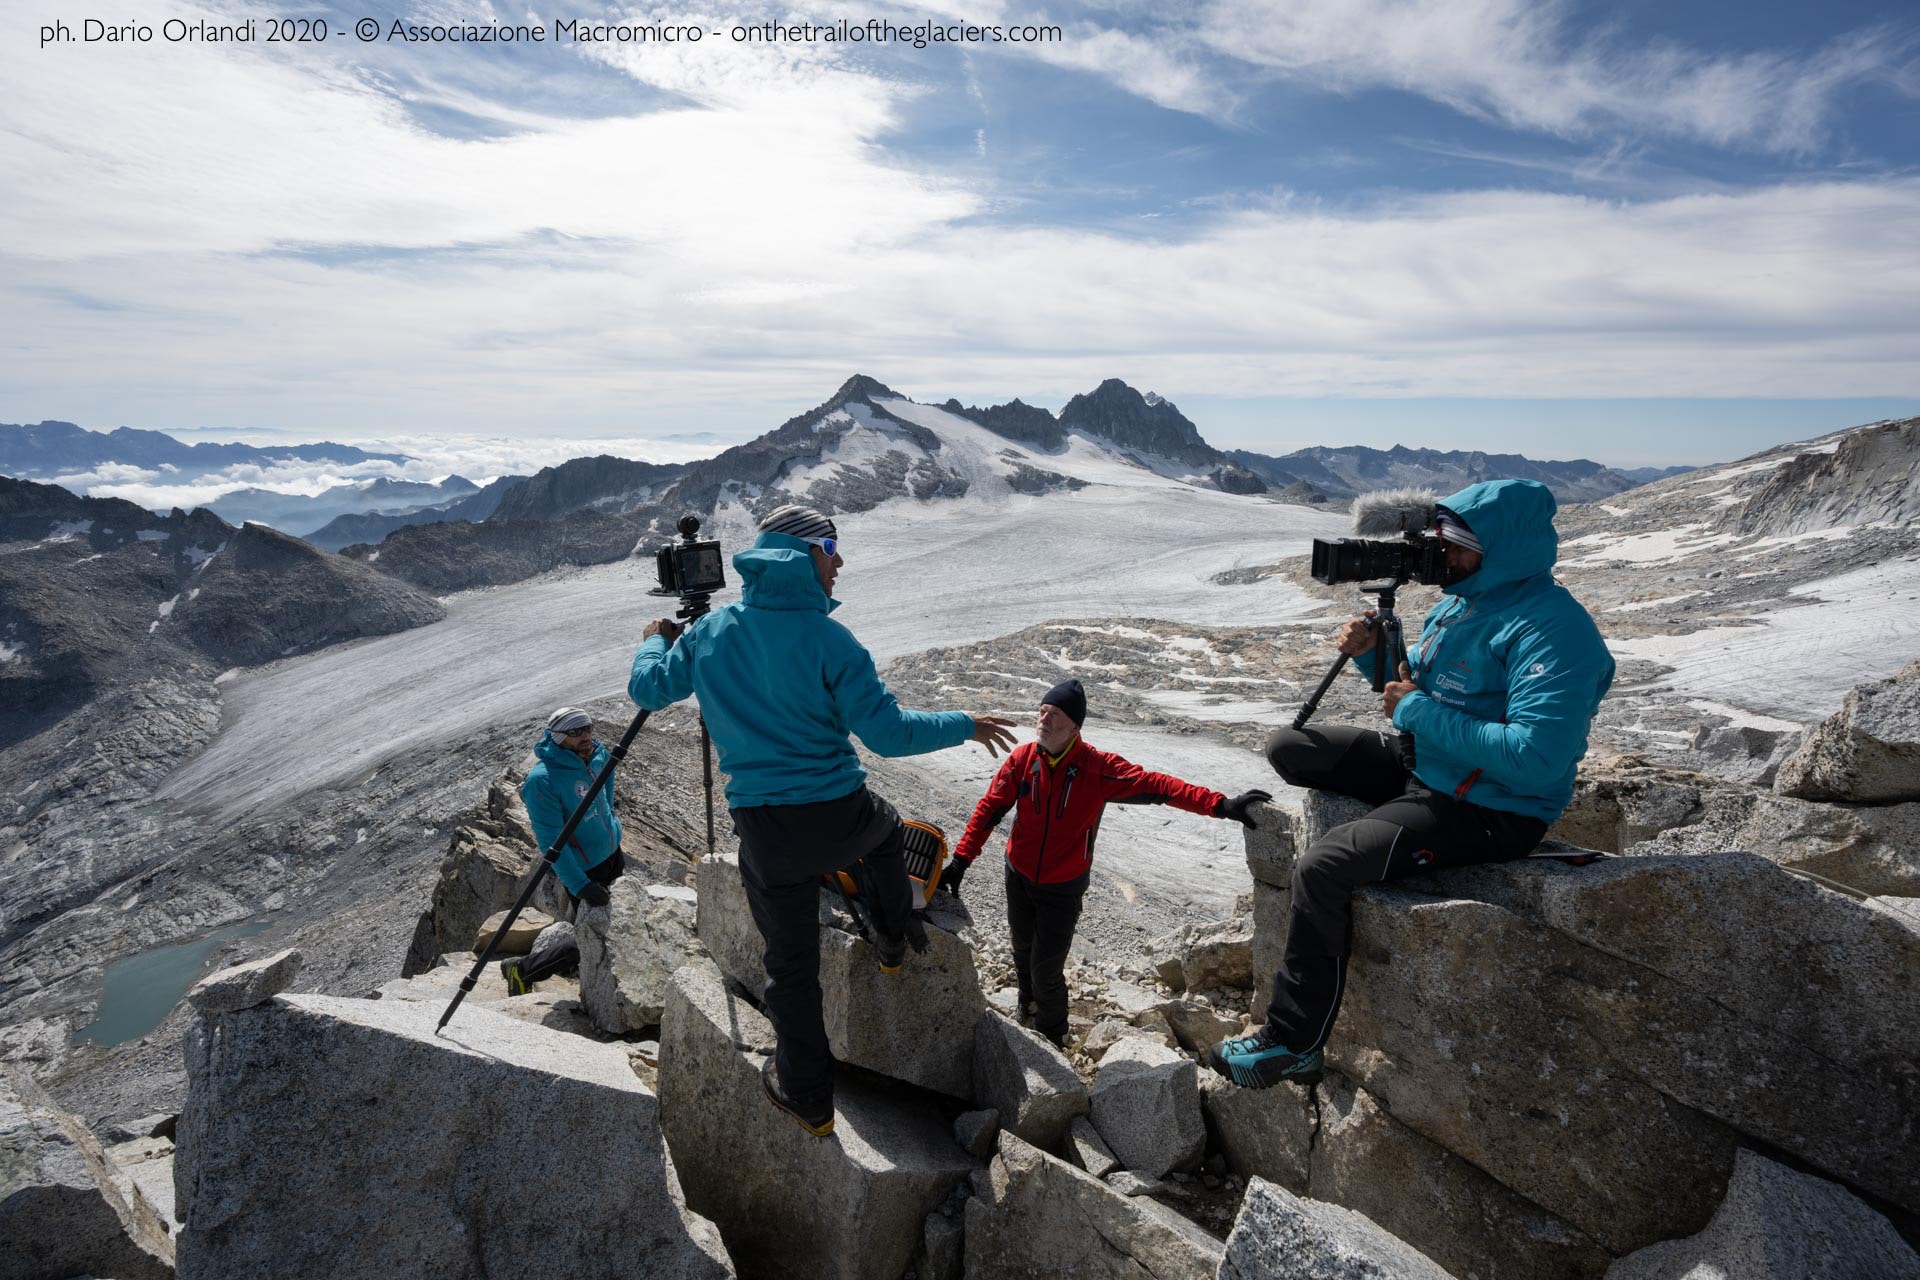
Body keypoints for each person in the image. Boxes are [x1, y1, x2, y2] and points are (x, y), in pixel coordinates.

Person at [1212, 478, 1614, 1089]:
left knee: (1323, 868)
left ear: (1502, 548)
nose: (1441, 554)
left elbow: (1534, 758)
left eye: (1457, 543)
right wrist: (1374, 657)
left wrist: (1414, 712)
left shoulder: (1554, 632)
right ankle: (1397, 816)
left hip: (1488, 806)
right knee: (1290, 748)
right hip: (1426, 764)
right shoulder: (1463, 601)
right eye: (1440, 538)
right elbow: (1407, 686)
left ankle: (1293, 1043)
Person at [629, 505, 1016, 1137]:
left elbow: (647, 690)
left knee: (790, 966)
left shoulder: (709, 635)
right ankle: (891, 939)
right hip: (842, 814)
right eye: (831, 547)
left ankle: (809, 1101)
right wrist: (965, 724)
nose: (839, 561)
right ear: (804, 556)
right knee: (888, 834)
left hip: (765, 832)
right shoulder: (831, 640)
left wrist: (654, 637)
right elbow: (889, 736)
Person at [941, 677, 1272, 1048]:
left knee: (1045, 969)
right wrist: (960, 860)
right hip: (1017, 874)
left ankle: (1051, 1036)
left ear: (1074, 727)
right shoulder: (1023, 761)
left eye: (1054, 715)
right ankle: (1026, 1006)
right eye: (1042, 712)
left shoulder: (1096, 769)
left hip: (1062, 889)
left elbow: (1159, 786)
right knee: (1021, 951)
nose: (1043, 721)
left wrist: (1220, 805)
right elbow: (990, 810)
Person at [504, 707, 627, 994]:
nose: (586, 736)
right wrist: (581, 885)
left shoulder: (598, 754)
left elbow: (606, 790)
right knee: (591, 936)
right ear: (558, 736)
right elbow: (551, 843)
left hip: (612, 854)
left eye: (588, 727)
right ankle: (522, 971)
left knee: (612, 928)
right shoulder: (542, 780)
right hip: (585, 871)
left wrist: (610, 821)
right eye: (576, 732)